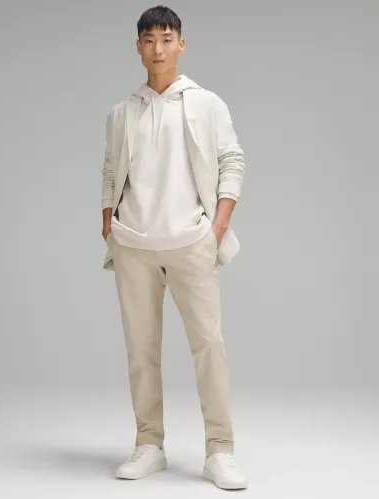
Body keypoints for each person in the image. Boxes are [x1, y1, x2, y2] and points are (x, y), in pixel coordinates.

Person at [101, 5, 248, 490]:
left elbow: (232, 161)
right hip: (133, 245)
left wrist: (218, 228)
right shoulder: (122, 112)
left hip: (191, 242)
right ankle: (150, 444)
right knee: (140, 350)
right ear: (138, 48)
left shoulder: (206, 104)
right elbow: (110, 170)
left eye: (166, 39)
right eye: (149, 40)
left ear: (180, 44)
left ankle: (220, 451)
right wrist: (108, 220)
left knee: (209, 346)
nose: (158, 49)